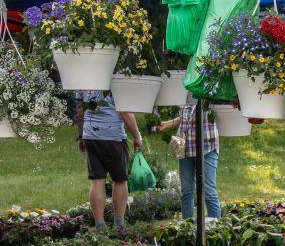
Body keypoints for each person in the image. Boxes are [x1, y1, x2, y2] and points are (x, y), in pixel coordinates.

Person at [75, 90, 143, 234]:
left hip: (91, 135)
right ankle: (119, 224)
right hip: (113, 137)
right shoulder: (114, 76)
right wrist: (137, 135)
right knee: (119, 180)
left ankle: (100, 225)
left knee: (97, 180)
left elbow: (80, 110)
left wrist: (81, 135)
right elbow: (125, 110)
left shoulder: (82, 77)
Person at [153, 101, 221, 219]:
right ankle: (188, 229)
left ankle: (216, 230)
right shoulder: (183, 91)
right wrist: (167, 124)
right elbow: (185, 117)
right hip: (185, 147)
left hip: (207, 146)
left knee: (209, 192)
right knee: (186, 191)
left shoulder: (208, 88)